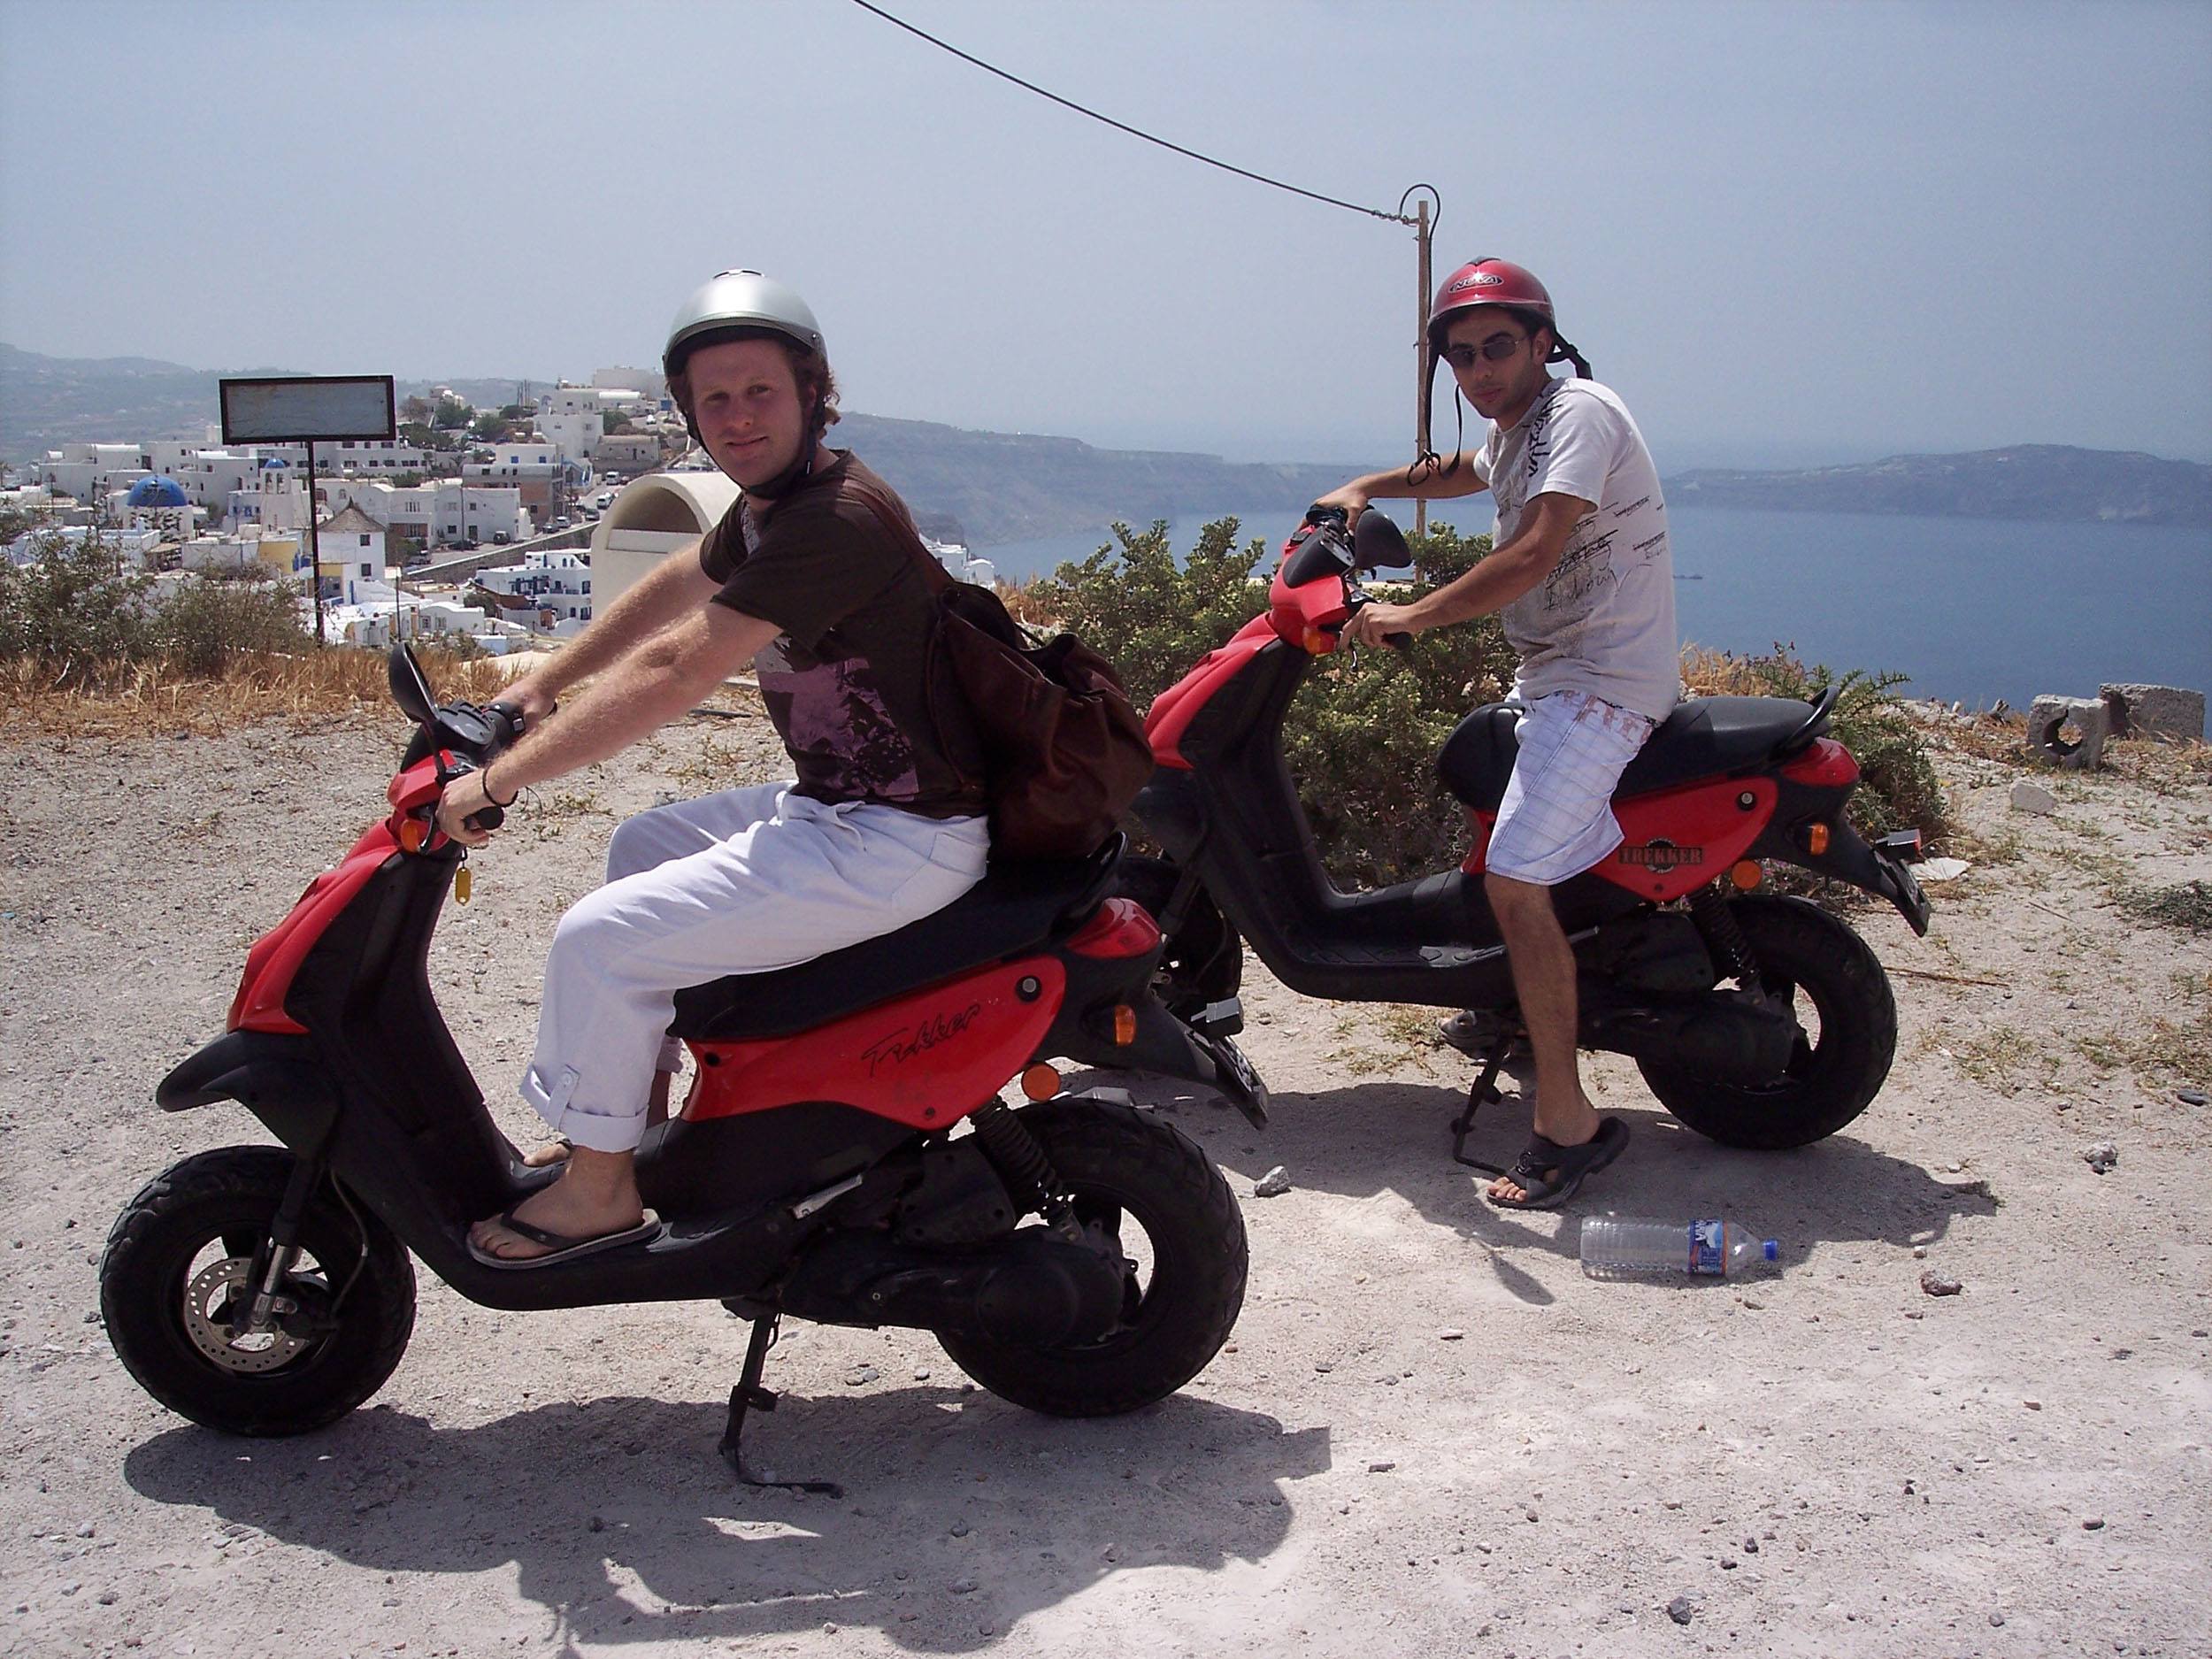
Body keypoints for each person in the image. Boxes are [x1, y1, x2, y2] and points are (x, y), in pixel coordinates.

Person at [437, 270, 990, 1265]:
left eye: (760, 392)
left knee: (599, 940)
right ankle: (621, 1126)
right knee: (640, 845)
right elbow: (676, 584)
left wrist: (499, 780)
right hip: (847, 805)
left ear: (813, 392)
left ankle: (602, 1194)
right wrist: (539, 688)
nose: (737, 418)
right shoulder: (777, 503)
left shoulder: (837, 520)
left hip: (905, 833)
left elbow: (680, 662)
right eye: (713, 400)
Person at [1324, 257, 1678, 1210]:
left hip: (1605, 685)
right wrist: (1362, 487)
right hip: (1554, 681)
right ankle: (1513, 1010)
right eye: (1462, 355)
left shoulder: (1581, 415)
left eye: (1497, 347)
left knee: (1516, 881)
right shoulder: (1515, 432)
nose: (1479, 368)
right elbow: (1458, 470)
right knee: (1479, 809)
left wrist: (1411, 616)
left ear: (1540, 343)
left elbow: (1532, 552)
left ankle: (1569, 1124)